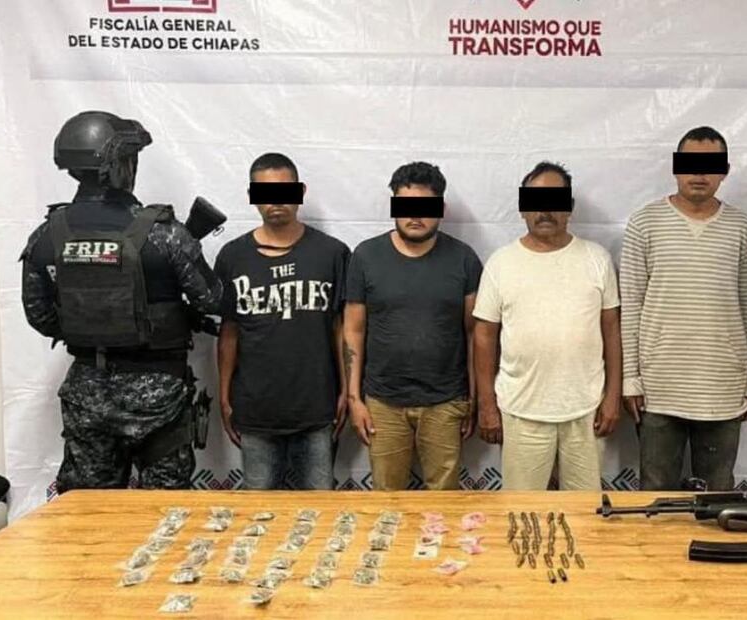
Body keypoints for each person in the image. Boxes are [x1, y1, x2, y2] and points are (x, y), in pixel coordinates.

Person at [20, 110, 221, 492]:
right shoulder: (165, 234)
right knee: (163, 513)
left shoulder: (48, 234)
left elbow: (39, 315)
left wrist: (92, 324)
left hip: (87, 394)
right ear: (120, 165)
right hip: (159, 395)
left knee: (89, 511)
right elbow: (213, 300)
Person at [620, 126, 747, 491]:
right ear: (676, 167)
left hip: (723, 387)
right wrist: (630, 378)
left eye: (710, 164)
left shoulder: (742, 227)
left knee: (718, 496)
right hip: (659, 387)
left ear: (724, 171)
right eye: (690, 163)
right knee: (656, 495)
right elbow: (631, 305)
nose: (699, 173)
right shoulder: (644, 222)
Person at [473, 161, 621, 490]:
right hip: (521, 411)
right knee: (521, 512)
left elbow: (612, 330)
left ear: (569, 207)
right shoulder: (501, 263)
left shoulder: (597, 259)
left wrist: (613, 396)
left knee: (585, 511)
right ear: (522, 208)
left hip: (586, 409)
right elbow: (484, 337)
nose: (545, 211)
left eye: (555, 200)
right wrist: (487, 406)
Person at [215, 153, 349, 490]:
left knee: (319, 509)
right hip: (256, 408)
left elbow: (340, 328)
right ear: (252, 196)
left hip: (316, 405)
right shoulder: (233, 256)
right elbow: (229, 332)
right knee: (259, 512)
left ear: (300, 192)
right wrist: (224, 393)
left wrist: (347, 388)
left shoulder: (332, 253)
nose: (276, 201)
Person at [345, 162, 482, 490]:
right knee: (387, 502)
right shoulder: (366, 256)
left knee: (443, 504)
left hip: (446, 401)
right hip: (383, 402)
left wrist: (474, 399)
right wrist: (354, 398)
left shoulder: (464, 259)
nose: (415, 215)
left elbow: (474, 333)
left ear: (441, 209)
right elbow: (353, 330)